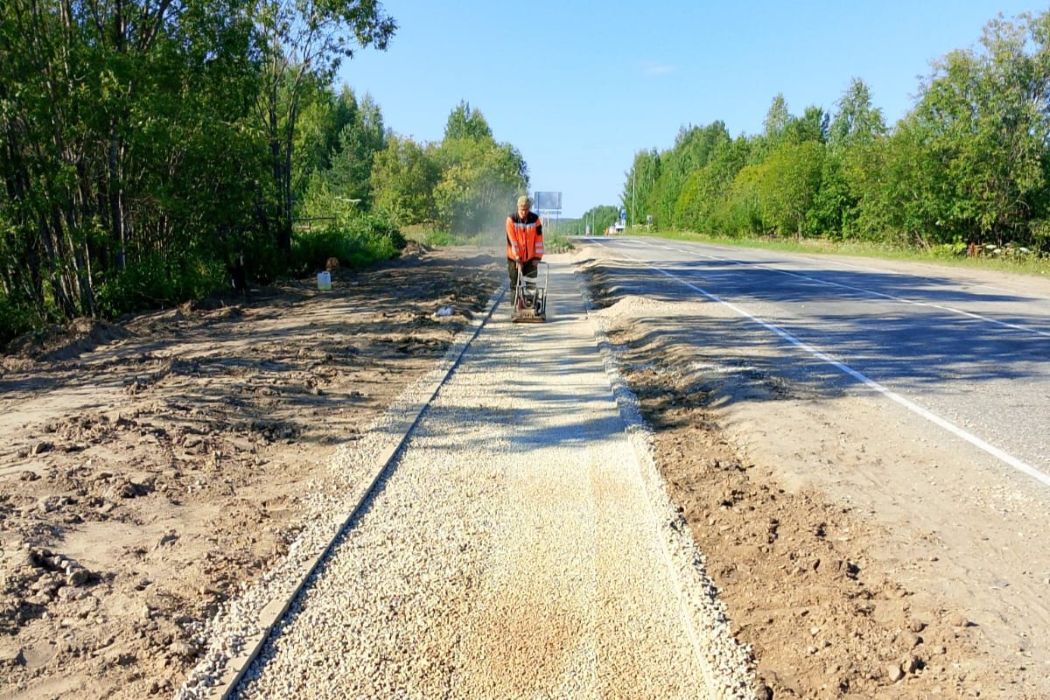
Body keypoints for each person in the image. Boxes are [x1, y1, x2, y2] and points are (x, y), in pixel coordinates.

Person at [505, 195, 544, 306]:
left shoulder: (535, 220)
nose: (524, 212)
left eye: (526, 209)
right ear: (518, 208)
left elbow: (539, 240)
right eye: (522, 210)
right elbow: (512, 242)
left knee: (531, 283)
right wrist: (517, 259)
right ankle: (516, 307)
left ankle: (530, 306)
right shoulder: (511, 220)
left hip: (531, 258)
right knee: (515, 283)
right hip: (514, 258)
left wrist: (537, 257)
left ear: (529, 208)